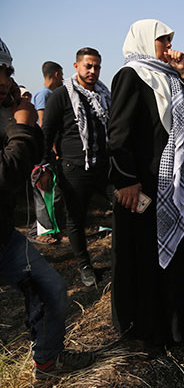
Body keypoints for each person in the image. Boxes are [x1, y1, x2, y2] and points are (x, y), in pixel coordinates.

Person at [0, 37, 95, 380]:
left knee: (51, 287)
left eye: (6, 71)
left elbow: (32, 148)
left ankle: (48, 361)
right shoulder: (25, 111)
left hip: (4, 236)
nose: (3, 79)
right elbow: (8, 172)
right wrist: (23, 123)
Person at [108, 19, 184, 343]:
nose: (169, 47)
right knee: (141, 257)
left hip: (170, 187)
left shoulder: (171, 78)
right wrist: (127, 181)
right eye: (163, 41)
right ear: (147, 41)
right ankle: (145, 329)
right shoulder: (131, 75)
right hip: (142, 187)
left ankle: (175, 324)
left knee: (174, 254)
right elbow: (118, 134)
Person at [39, 47, 112, 287]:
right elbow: (47, 132)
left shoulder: (104, 95)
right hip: (74, 169)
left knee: (124, 207)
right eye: (88, 66)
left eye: (97, 67)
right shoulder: (61, 95)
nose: (93, 71)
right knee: (76, 220)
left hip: (104, 167)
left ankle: (124, 259)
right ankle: (84, 266)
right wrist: (45, 164)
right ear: (76, 66)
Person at [30, 61, 65, 245]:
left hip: (54, 149)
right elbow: (45, 124)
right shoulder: (44, 94)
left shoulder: (52, 94)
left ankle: (55, 229)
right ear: (57, 74)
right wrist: (52, 149)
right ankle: (44, 231)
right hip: (45, 152)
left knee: (55, 192)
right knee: (46, 191)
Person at [32, 61, 64, 125]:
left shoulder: (49, 93)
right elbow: (42, 121)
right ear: (56, 75)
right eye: (61, 75)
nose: (62, 79)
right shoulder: (43, 94)